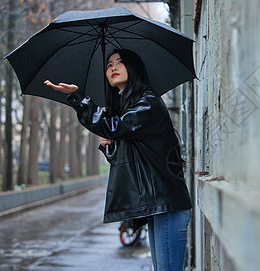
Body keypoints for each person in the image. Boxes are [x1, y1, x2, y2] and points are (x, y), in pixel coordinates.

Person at [45, 49, 192, 271]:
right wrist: (111, 145)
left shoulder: (147, 102)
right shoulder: (132, 106)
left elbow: (110, 126)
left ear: (133, 68)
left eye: (120, 63)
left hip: (167, 205)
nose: (113, 68)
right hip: (160, 205)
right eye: (109, 64)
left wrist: (79, 97)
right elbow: (133, 155)